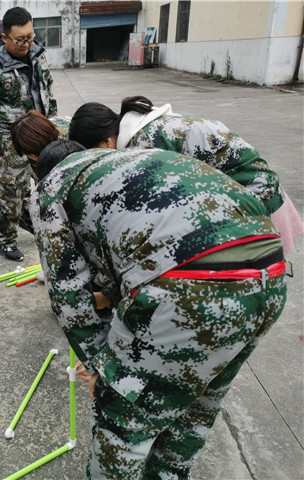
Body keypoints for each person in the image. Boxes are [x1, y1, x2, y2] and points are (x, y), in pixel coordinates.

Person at [31, 142, 287, 479]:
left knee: (122, 425)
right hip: (270, 273)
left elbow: (68, 296)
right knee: (196, 407)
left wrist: (99, 365)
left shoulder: (50, 188)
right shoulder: (128, 158)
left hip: (187, 285)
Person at [68, 96, 284, 215]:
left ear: (106, 141)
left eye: (95, 155)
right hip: (243, 185)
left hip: (253, 190)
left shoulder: (145, 144)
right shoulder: (140, 128)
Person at [0, 6, 57, 261]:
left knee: (46, 186)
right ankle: (7, 241)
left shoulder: (38, 54)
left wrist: (54, 125)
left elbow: (47, 92)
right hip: (10, 141)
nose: (27, 43)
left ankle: (38, 225)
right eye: (20, 40)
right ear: (5, 38)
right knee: (12, 192)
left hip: (41, 134)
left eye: (30, 36)